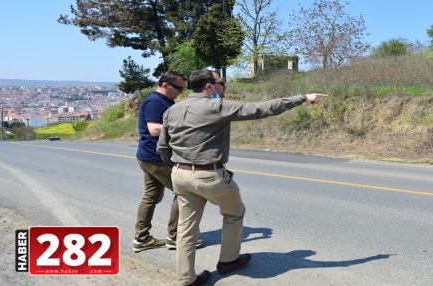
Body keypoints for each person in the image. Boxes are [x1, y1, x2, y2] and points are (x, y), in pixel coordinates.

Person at [157, 69, 327, 286]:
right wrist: (302, 97)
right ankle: (228, 260)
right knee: (234, 214)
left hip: (180, 175)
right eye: (221, 83)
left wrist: (177, 168)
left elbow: (162, 147)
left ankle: (185, 279)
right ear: (209, 86)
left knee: (187, 228)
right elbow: (262, 109)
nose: (224, 87)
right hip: (210, 174)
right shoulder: (217, 106)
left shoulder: (173, 110)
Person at [133, 70, 202, 252]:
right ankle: (176, 237)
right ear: (165, 85)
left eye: (183, 88)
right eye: (178, 88)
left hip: (149, 156)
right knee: (185, 192)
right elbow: (155, 129)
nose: (181, 92)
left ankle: (141, 238)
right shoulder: (155, 101)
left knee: (151, 197)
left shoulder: (164, 101)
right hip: (157, 158)